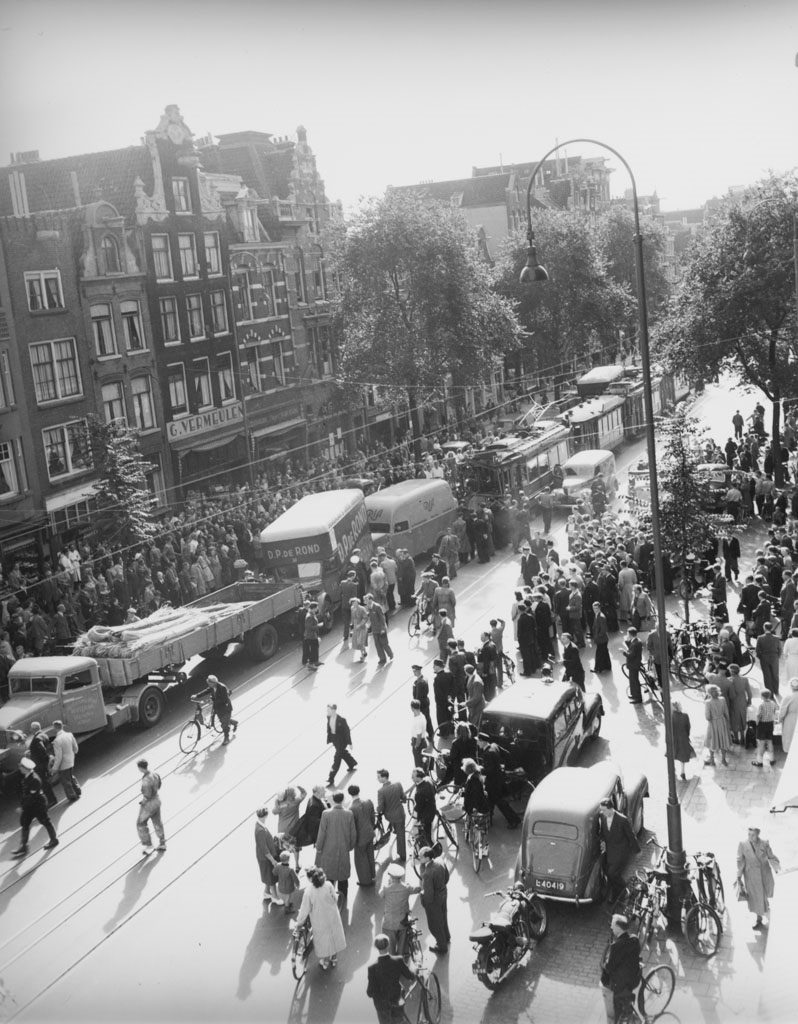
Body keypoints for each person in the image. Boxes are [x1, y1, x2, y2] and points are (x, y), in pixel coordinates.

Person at [295, 867, 347, 970]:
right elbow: (335, 898)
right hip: (332, 916)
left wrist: (299, 924)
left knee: (324, 940)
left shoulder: (308, 891)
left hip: (319, 919)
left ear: (310, 879)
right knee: (334, 935)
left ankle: (326, 961)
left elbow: (304, 910)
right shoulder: (328, 885)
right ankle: (334, 958)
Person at [11, 757, 59, 857]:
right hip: (30, 806)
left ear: (26, 768)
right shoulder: (27, 776)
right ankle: (24, 847)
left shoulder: (34, 779)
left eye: (20, 766)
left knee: (45, 821)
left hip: (38, 805)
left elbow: (32, 797)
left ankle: (54, 839)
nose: (19, 768)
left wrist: (22, 808)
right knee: (25, 823)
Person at [736, 825, 780, 930]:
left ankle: (764, 906)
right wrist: (739, 876)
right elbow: (740, 860)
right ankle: (759, 919)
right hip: (751, 876)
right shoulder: (743, 844)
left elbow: (771, 856)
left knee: (763, 895)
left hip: (764, 874)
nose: (750, 837)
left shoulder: (764, 844)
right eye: (749, 834)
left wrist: (777, 868)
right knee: (755, 898)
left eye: (753, 835)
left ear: (758, 835)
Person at [601, 914, 642, 1023]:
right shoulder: (634, 939)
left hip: (622, 984)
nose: (611, 928)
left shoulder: (616, 947)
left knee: (616, 1009)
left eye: (613, 926)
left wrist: (605, 964)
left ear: (619, 928)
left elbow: (609, 967)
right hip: (635, 978)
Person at [367, 933, 416, 1024]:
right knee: (399, 1020)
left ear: (376, 947)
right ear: (388, 945)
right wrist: (415, 971)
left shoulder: (372, 968)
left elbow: (370, 992)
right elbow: (410, 976)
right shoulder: (398, 960)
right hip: (396, 1000)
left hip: (381, 1005)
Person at [315, 790, 356, 897]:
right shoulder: (349, 814)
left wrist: (319, 847)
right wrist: (350, 846)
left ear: (333, 799)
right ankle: (343, 896)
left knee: (329, 876)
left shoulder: (326, 814)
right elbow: (353, 833)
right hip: (343, 849)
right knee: (343, 877)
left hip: (329, 849)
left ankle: (330, 898)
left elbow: (322, 832)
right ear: (342, 800)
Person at [598, 799, 640, 902]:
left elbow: (631, 836)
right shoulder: (603, 817)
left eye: (603, 810)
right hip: (609, 851)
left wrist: (637, 851)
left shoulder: (622, 820)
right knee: (609, 873)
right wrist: (602, 841)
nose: (602, 812)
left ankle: (623, 890)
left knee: (612, 873)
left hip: (620, 851)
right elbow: (603, 833)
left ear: (610, 809)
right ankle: (618, 892)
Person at [479, 735, 521, 829]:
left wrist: (481, 770)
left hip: (492, 782)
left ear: (483, 742)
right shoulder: (494, 746)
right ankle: (488, 820)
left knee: (499, 802)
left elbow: (490, 770)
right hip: (499, 779)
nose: (478, 743)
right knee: (490, 800)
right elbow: (507, 753)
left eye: (479, 741)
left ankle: (514, 820)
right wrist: (505, 766)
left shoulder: (487, 753)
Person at [379, 863, 421, 955]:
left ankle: (393, 963)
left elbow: (380, 895)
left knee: (390, 947)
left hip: (389, 923)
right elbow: (417, 889)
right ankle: (401, 960)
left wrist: (388, 884)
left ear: (390, 876)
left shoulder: (386, 889)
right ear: (401, 877)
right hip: (403, 922)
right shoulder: (407, 887)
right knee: (402, 946)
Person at [418, 845, 451, 955]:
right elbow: (447, 876)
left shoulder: (427, 873)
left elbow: (428, 895)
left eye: (420, 857)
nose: (419, 859)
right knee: (443, 916)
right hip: (443, 893)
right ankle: (446, 937)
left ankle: (442, 946)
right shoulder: (439, 861)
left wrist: (423, 900)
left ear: (427, 858)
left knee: (434, 924)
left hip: (434, 900)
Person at [196, 674, 238, 744]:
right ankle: (234, 722)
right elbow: (206, 691)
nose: (208, 685)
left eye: (209, 683)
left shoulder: (222, 688)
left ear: (214, 683)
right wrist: (197, 695)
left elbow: (224, 700)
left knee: (224, 724)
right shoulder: (212, 687)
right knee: (223, 720)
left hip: (225, 708)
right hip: (218, 708)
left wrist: (213, 700)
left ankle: (226, 738)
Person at [348, 784, 376, 886]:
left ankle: (365, 880)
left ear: (349, 794)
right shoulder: (368, 801)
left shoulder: (351, 808)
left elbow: (352, 827)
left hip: (360, 838)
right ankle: (372, 875)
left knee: (361, 860)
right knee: (370, 856)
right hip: (369, 833)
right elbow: (373, 817)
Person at [136, 758, 166, 856]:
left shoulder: (146, 779)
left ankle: (148, 845)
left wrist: (144, 801)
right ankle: (162, 843)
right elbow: (160, 785)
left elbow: (147, 794)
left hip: (149, 804)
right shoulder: (155, 774)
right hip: (157, 800)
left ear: (140, 768)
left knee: (140, 823)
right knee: (157, 822)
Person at [377, 769, 407, 862]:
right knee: (401, 834)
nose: (377, 779)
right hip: (400, 814)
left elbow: (381, 807)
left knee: (397, 829)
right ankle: (402, 854)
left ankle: (393, 829)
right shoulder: (398, 784)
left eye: (378, 777)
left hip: (390, 816)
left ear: (384, 778)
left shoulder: (381, 791)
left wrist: (377, 810)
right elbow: (404, 798)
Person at [255, 806, 282, 904]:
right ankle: (275, 897)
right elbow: (264, 848)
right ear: (265, 815)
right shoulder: (260, 830)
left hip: (265, 856)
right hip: (266, 858)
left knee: (268, 875)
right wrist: (272, 860)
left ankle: (266, 893)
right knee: (271, 878)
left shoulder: (260, 825)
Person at [26, 721, 57, 807]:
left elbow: (42, 750)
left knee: (44, 783)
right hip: (44, 764)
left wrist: (32, 754)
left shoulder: (36, 739)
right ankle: (52, 799)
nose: (30, 730)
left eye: (31, 729)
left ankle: (52, 800)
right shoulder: (44, 735)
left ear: (33, 729)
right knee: (45, 782)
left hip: (40, 766)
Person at [326, 704, 358, 786]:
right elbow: (329, 729)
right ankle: (352, 763)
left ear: (333, 710)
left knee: (337, 758)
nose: (327, 712)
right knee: (342, 753)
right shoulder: (328, 717)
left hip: (341, 741)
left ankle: (331, 778)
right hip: (335, 740)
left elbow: (347, 731)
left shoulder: (342, 720)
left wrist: (350, 743)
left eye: (328, 710)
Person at [50, 719, 80, 801]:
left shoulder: (56, 741)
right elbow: (75, 748)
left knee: (65, 781)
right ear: (62, 726)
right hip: (71, 760)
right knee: (70, 776)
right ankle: (78, 790)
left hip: (64, 764)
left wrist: (55, 768)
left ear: (55, 728)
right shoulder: (69, 734)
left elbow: (58, 757)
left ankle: (72, 796)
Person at [704, 684, 732, 767]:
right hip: (722, 722)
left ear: (709, 693)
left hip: (713, 723)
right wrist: (728, 722)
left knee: (712, 741)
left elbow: (707, 717)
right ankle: (723, 760)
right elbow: (726, 712)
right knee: (723, 741)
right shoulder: (722, 699)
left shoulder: (708, 702)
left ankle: (712, 760)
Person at [410, 767, 438, 847]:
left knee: (426, 835)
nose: (411, 778)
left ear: (418, 777)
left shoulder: (419, 793)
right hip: (432, 807)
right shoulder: (428, 779)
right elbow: (435, 790)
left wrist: (415, 817)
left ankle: (430, 851)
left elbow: (418, 808)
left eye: (413, 777)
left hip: (427, 816)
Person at [752, 690, 779, 767]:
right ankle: (772, 760)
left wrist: (757, 723)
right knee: (770, 741)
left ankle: (759, 762)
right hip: (770, 724)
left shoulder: (761, 705)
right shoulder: (773, 703)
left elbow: (758, 715)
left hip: (762, 725)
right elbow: (776, 710)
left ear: (762, 696)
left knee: (761, 743)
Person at [365, 592, 394, 665]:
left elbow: (382, 618)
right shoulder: (368, 608)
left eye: (366, 599)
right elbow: (369, 618)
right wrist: (368, 626)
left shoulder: (377, 607)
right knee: (377, 645)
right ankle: (382, 659)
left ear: (370, 599)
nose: (365, 601)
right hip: (375, 630)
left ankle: (390, 654)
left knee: (384, 643)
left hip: (381, 629)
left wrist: (382, 628)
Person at [727, 664, 752, 744]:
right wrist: (749, 700)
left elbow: (731, 694)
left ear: (731, 672)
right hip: (742, 701)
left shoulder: (729, 680)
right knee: (742, 718)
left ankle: (736, 738)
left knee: (734, 720)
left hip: (733, 702)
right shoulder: (744, 679)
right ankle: (742, 737)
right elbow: (749, 691)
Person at [755, 622, 781, 696]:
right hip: (774, 657)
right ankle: (776, 690)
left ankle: (770, 693)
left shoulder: (760, 638)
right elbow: (780, 649)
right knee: (775, 675)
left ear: (764, 628)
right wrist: (777, 656)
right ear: (771, 628)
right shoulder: (776, 638)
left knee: (767, 676)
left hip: (764, 658)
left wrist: (761, 657)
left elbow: (757, 650)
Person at [671, 700, 696, 780]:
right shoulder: (685, 715)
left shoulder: (670, 716)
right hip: (683, 738)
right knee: (682, 755)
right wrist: (686, 735)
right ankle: (682, 771)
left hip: (674, 738)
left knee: (673, 753)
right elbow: (688, 727)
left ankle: (673, 769)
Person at [411, 664, 434, 739]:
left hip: (422, 704)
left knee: (424, 719)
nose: (413, 672)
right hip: (425, 702)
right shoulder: (423, 678)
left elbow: (418, 696)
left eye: (414, 671)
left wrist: (416, 706)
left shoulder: (420, 682)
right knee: (427, 718)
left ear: (418, 671)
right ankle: (431, 733)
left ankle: (430, 734)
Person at [275, 850, 301, 914]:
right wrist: (298, 884)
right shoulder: (290, 869)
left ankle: (288, 904)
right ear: (288, 860)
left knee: (285, 896)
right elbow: (295, 878)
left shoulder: (278, 865)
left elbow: (274, 872)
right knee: (288, 897)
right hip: (288, 887)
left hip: (281, 886)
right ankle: (287, 908)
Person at [623, 627, 643, 703]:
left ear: (630, 634)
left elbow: (631, 655)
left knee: (634, 681)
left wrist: (623, 652)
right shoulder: (636, 641)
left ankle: (638, 697)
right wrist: (626, 641)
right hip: (635, 664)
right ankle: (634, 694)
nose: (627, 635)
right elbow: (631, 647)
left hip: (633, 665)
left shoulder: (635, 644)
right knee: (632, 680)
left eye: (627, 634)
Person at [778, 678, 798, 753]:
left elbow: (782, 711)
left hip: (790, 719)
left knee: (789, 736)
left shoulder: (788, 697)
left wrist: (780, 719)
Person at [591, 602, 612, 673]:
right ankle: (607, 666)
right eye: (594, 608)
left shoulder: (601, 617)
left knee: (599, 654)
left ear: (599, 608)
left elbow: (603, 630)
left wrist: (597, 636)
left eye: (596, 608)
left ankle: (598, 668)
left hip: (601, 639)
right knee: (604, 652)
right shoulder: (597, 615)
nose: (595, 610)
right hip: (603, 639)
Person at [350, 597, 369, 661]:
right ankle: (364, 652)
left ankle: (362, 655)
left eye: (355, 602)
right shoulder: (352, 608)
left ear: (358, 602)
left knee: (360, 642)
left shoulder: (362, 608)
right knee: (358, 643)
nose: (354, 604)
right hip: (356, 627)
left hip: (362, 627)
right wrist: (352, 626)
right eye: (352, 603)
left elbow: (365, 618)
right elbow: (352, 618)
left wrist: (360, 624)